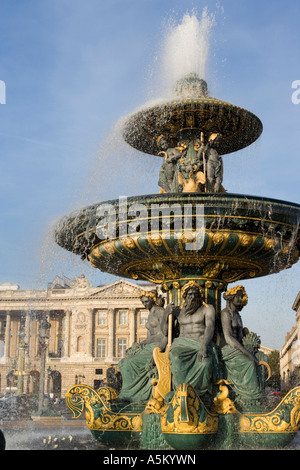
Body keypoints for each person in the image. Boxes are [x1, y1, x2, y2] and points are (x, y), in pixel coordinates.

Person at [168, 282, 219, 399]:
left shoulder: (208, 309)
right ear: (185, 297)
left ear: (199, 296)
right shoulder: (177, 311)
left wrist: (204, 346)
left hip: (200, 343)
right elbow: (165, 331)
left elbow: (210, 327)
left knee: (206, 363)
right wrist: (167, 312)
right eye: (189, 295)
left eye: (195, 294)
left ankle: (200, 394)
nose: (192, 297)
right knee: (176, 358)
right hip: (182, 344)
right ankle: (180, 392)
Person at [118, 291, 171, 403]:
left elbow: (167, 334)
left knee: (130, 363)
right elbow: (149, 337)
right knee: (123, 362)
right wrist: (139, 344)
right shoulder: (150, 313)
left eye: (147, 302)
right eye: (143, 302)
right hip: (149, 346)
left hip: (158, 346)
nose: (145, 305)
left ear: (153, 300)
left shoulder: (160, 311)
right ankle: (130, 393)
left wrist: (159, 352)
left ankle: (129, 395)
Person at [220, 285, 263, 406]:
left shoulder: (237, 315)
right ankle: (250, 398)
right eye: (238, 297)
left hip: (237, 346)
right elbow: (228, 337)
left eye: (241, 297)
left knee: (261, 358)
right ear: (231, 298)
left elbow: (240, 337)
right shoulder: (225, 314)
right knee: (249, 362)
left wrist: (250, 345)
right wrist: (247, 353)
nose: (240, 299)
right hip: (228, 348)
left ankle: (258, 393)